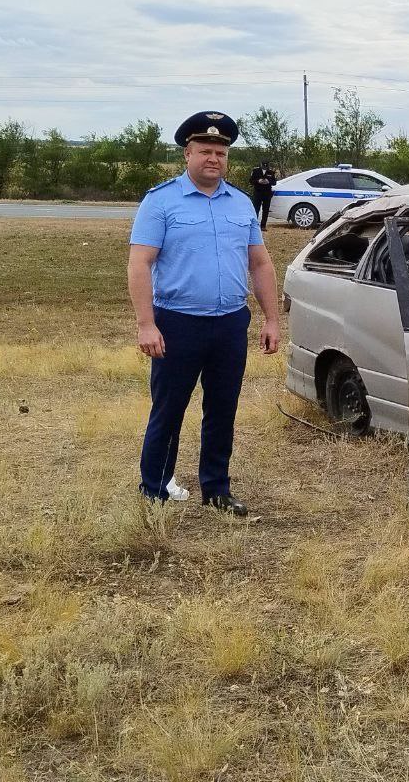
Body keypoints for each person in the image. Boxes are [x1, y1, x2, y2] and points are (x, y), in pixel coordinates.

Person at [127, 111, 281, 516]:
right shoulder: (160, 202)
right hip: (177, 322)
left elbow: (260, 264)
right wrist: (146, 324)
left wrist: (272, 319)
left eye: (221, 152)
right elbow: (139, 264)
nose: (214, 158)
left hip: (229, 323)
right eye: (205, 151)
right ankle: (154, 489)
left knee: (222, 409)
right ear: (187, 154)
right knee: (170, 408)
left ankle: (216, 488)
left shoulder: (242, 203)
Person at [249, 160, 279, 230]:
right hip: (258, 192)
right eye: (263, 166)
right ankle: (254, 225)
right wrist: (258, 181)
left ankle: (263, 226)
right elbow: (251, 181)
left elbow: (274, 182)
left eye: (266, 166)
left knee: (266, 210)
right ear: (261, 164)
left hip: (267, 193)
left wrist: (268, 182)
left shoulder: (271, 172)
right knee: (256, 209)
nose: (265, 168)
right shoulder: (256, 171)